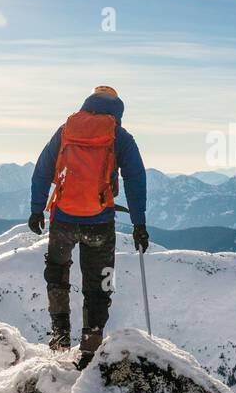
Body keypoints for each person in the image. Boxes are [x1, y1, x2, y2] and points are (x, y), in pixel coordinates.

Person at [28, 86, 149, 367]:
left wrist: (36, 209)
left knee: (57, 273)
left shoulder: (66, 130)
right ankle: (90, 346)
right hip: (100, 223)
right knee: (100, 283)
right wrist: (139, 223)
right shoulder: (120, 137)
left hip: (63, 220)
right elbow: (136, 179)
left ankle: (59, 336)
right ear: (118, 112)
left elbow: (43, 169)